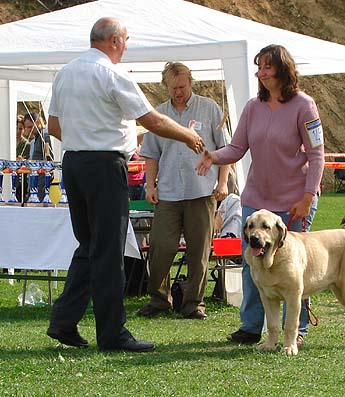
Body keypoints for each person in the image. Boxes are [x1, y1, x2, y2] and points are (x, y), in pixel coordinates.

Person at [46, 17, 204, 353]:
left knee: (89, 247)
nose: (127, 46)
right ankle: (112, 333)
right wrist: (188, 135)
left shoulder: (66, 72)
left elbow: (53, 126)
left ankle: (63, 320)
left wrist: (86, 136)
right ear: (115, 41)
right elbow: (151, 119)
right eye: (127, 40)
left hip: (73, 164)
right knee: (108, 251)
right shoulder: (113, 74)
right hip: (104, 167)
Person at [196, 44, 325, 345]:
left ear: (283, 69)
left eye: (267, 66)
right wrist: (213, 156)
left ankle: (297, 331)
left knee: (295, 268)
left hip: (294, 201)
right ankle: (251, 327)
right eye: (259, 67)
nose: (261, 72)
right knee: (254, 263)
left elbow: (317, 155)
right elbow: (237, 148)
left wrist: (307, 197)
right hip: (256, 199)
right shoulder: (253, 107)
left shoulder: (305, 105)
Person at [137, 62, 230, 320]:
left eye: (182, 86)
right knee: (160, 248)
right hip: (168, 192)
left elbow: (225, 150)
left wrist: (222, 183)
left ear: (190, 82)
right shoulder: (159, 114)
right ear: (165, 86)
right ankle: (159, 299)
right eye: (173, 87)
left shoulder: (209, 109)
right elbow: (151, 154)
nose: (178, 91)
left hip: (201, 191)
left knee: (199, 251)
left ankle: (193, 303)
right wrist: (150, 185)